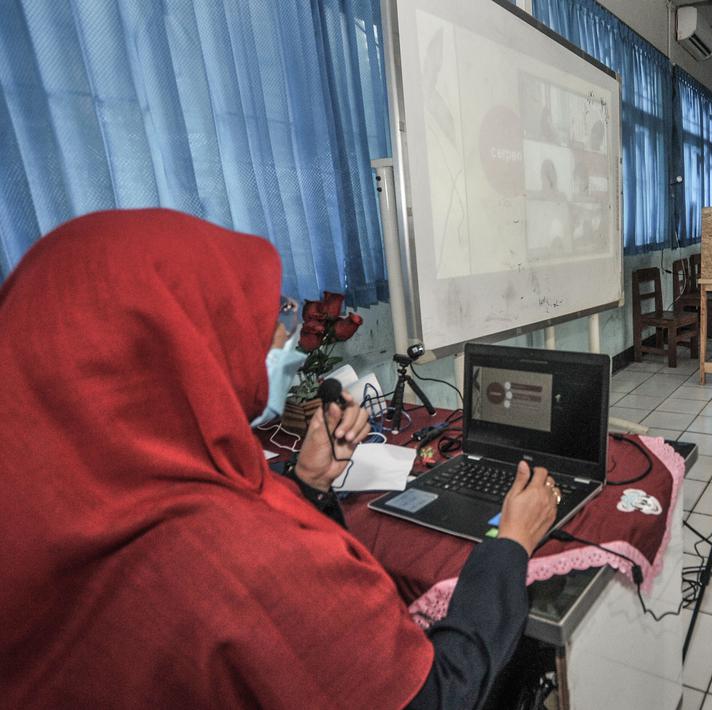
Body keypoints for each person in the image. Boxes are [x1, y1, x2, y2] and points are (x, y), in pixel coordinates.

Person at [0, 209, 559, 709]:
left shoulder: (38, 509)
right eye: (244, 317)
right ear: (178, 345)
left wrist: (309, 484)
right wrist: (508, 544)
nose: (278, 337)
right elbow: (437, 694)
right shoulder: (238, 555)